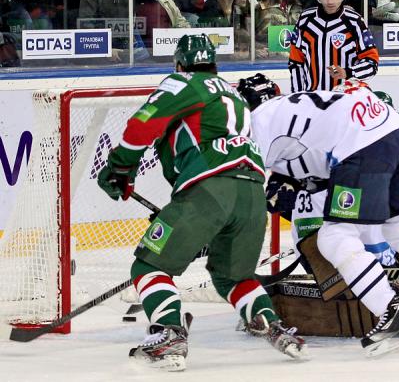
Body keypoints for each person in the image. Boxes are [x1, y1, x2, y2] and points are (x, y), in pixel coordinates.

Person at [96, 34, 307, 371]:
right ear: (214, 64)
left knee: (149, 267)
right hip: (253, 192)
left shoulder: (184, 83)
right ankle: (274, 327)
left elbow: (140, 126)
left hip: (209, 190)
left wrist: (120, 167)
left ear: (179, 64)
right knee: (233, 277)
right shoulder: (233, 93)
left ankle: (169, 335)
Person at [244, 76, 399, 352]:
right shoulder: (287, 110)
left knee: (334, 237)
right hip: (397, 132)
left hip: (363, 146)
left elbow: (247, 190)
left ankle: (392, 310)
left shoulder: (255, 125)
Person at [288, 0, 379, 92]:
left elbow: (372, 63)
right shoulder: (305, 20)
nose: (330, 1)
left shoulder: (355, 22)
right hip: (313, 99)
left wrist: (348, 72)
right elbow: (296, 62)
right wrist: (298, 95)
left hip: (346, 98)